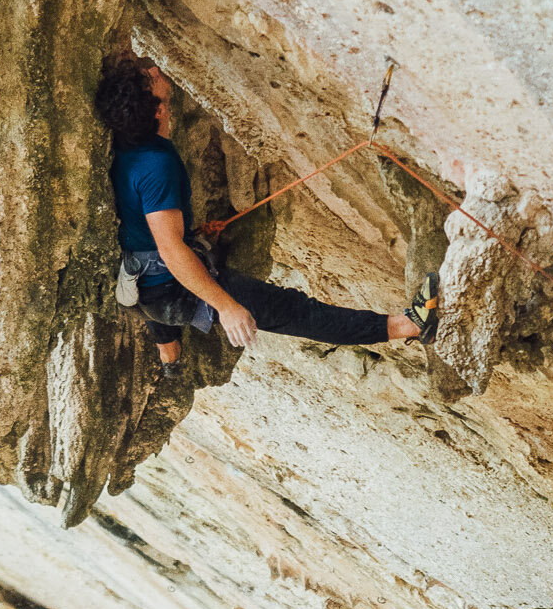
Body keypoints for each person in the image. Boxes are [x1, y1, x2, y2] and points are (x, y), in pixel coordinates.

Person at [94, 54, 438, 376]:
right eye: (147, 79)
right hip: (170, 288)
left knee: (173, 300)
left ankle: (170, 356)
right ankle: (409, 326)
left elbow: (154, 227)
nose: (153, 70)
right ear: (156, 110)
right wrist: (226, 307)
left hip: (149, 284)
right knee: (294, 311)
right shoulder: (156, 164)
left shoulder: (132, 147)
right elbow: (171, 251)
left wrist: (191, 233)